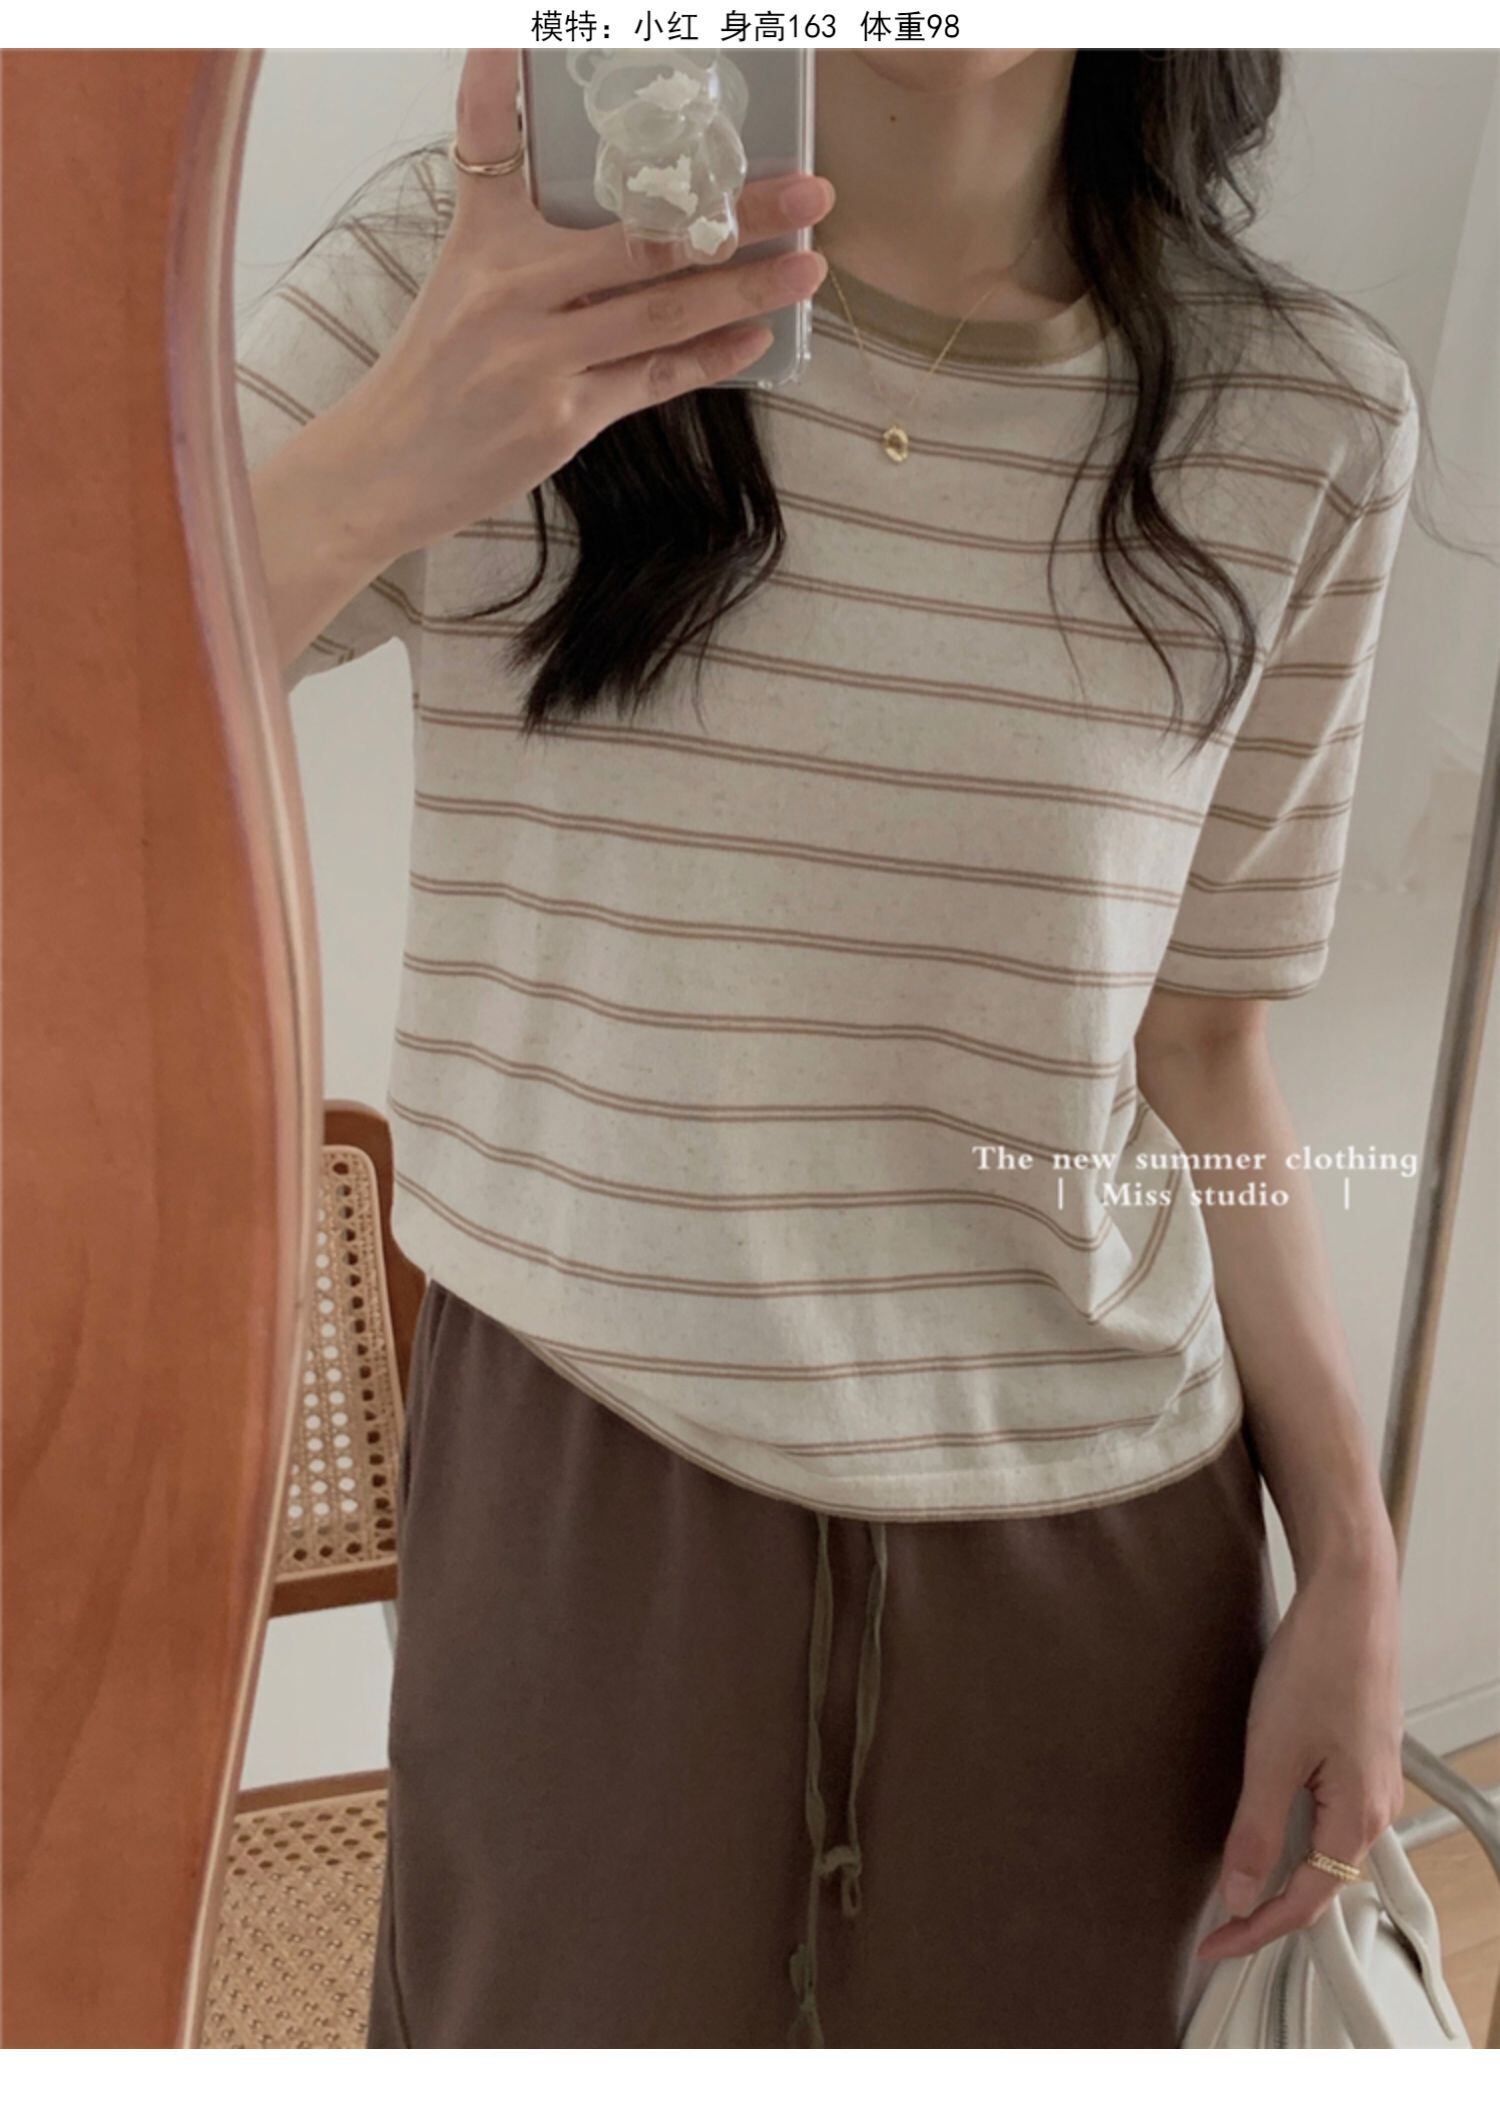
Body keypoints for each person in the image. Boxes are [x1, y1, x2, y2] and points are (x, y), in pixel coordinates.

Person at [238, 47, 1419, 2047]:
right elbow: (63, 692)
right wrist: (389, 461)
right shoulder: (488, 271)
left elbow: (1207, 1052)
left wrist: (1357, 1564)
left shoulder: (1307, 414)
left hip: (1102, 1552)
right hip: (596, 1496)